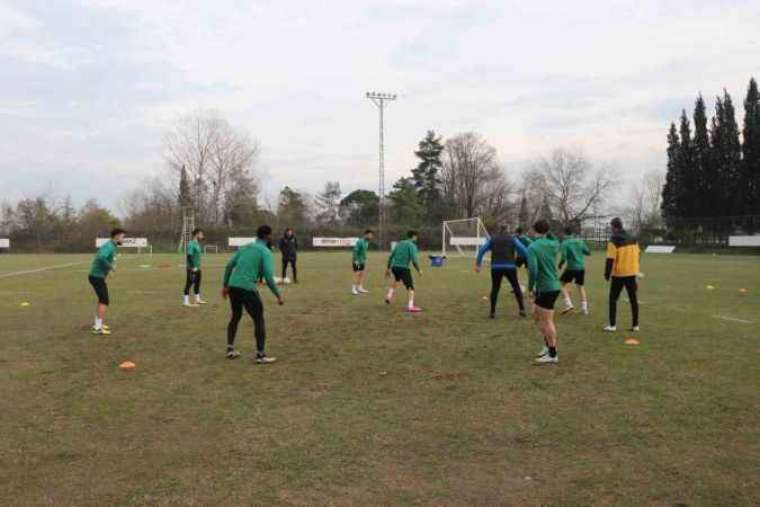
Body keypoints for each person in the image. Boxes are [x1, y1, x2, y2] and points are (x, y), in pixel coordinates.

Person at [222, 225, 284, 363]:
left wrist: (225, 286)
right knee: (259, 319)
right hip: (247, 288)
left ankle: (230, 349)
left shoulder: (245, 247)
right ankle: (260, 355)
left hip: (233, 286)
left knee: (235, 316)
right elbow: (269, 277)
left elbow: (229, 265)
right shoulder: (265, 251)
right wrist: (278, 295)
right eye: (271, 236)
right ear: (268, 236)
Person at [475, 224, 528, 319]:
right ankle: (522, 309)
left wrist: (478, 264)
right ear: (507, 229)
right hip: (510, 266)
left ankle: (492, 312)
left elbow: (481, 250)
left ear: (499, 229)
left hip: (496, 267)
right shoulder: (513, 239)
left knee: (495, 288)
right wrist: (527, 260)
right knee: (516, 286)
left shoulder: (492, 239)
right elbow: (524, 250)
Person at [527, 220, 561, 365]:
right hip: (553, 286)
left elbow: (533, 269)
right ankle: (547, 346)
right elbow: (555, 239)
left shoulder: (533, 247)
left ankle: (552, 354)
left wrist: (530, 286)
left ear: (534, 230)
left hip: (546, 287)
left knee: (547, 320)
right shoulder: (553, 244)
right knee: (536, 315)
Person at [604, 217, 641, 332]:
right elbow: (639, 254)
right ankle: (635, 326)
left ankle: (612, 325)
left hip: (619, 274)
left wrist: (607, 273)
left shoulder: (613, 240)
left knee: (613, 299)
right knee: (633, 299)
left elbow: (610, 259)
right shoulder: (633, 238)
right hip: (632, 272)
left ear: (613, 227)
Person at [88, 228, 125, 335]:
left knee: (102, 300)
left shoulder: (112, 246)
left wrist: (109, 269)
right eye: (122, 237)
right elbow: (100, 257)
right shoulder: (109, 246)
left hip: (97, 276)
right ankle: (97, 328)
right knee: (104, 300)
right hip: (96, 277)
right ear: (117, 236)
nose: (123, 239)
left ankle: (98, 324)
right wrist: (110, 267)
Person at [385, 230, 423, 312]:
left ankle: (389, 296)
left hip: (395, 267)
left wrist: (388, 268)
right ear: (414, 236)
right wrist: (419, 270)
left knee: (396, 280)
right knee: (411, 288)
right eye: (416, 237)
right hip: (404, 268)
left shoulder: (399, 243)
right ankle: (411, 306)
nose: (416, 239)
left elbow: (391, 256)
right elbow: (414, 260)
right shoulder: (412, 245)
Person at [558, 226, 591, 315]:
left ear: (564, 233)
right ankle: (584, 308)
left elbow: (564, 257)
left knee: (561, 284)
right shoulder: (579, 241)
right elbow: (588, 252)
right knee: (580, 287)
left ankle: (568, 304)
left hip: (571, 267)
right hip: (581, 268)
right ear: (572, 233)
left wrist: (560, 265)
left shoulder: (565, 243)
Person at [183, 228, 207, 307]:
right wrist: (193, 267)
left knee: (197, 283)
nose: (202, 236)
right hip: (192, 268)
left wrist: (197, 267)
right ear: (197, 234)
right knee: (189, 283)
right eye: (201, 234)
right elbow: (189, 256)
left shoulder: (197, 243)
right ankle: (186, 301)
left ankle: (198, 299)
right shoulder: (191, 243)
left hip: (198, 268)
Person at [351, 229, 374, 295]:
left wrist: (365, 258)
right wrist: (355, 260)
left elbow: (364, 251)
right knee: (357, 274)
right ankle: (353, 289)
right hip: (357, 261)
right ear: (366, 235)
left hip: (362, 261)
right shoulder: (360, 241)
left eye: (371, 235)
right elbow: (355, 251)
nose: (371, 236)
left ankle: (360, 288)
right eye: (370, 235)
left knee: (362, 274)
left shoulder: (366, 242)